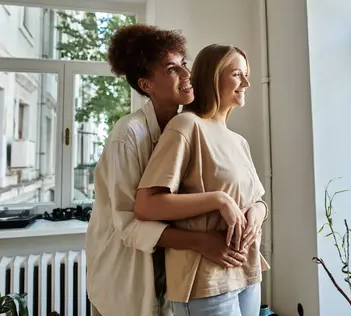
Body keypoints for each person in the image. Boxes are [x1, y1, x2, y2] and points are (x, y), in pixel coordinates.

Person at [86, 26, 249, 316]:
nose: (187, 75)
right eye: (172, 69)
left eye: (184, 64)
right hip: (123, 274)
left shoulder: (186, 126)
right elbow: (129, 224)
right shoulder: (128, 135)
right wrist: (201, 241)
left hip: (174, 273)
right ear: (146, 85)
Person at [134, 44, 269, 316]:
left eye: (245, 74)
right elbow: (146, 206)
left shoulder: (238, 141)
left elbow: (256, 198)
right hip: (205, 280)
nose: (246, 82)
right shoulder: (186, 126)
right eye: (236, 74)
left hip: (248, 273)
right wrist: (218, 200)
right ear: (212, 77)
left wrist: (258, 211)